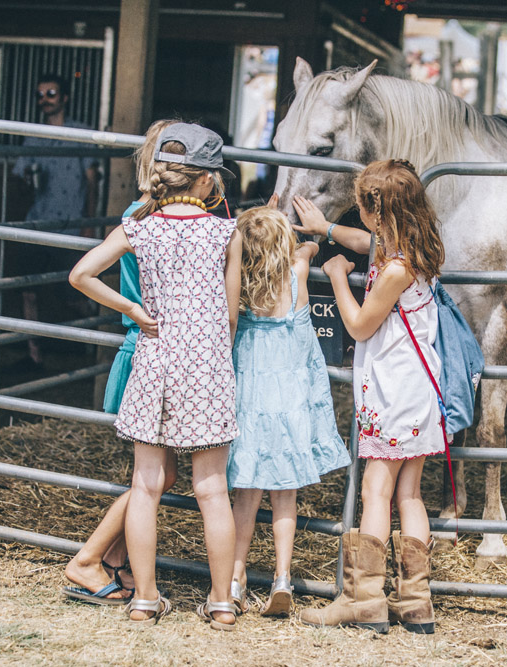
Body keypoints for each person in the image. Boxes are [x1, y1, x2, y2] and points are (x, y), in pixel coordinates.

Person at [68, 123, 242, 628]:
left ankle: (144, 599)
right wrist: (212, 349)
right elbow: (231, 316)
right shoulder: (226, 233)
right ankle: (221, 602)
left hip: (154, 359)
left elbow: (80, 274)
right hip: (206, 365)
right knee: (212, 489)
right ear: (207, 180)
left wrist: (132, 309)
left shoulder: (138, 228)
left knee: (145, 485)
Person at [293, 159, 445, 635]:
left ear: (377, 212)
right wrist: (327, 228)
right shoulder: (416, 249)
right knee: (410, 494)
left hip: (393, 391)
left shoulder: (396, 269)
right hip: (419, 389)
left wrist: (338, 274)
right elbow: (366, 242)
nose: (360, 218)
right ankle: (415, 602)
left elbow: (360, 325)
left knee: (376, 491)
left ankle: (363, 599)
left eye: (361, 207)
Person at [61, 119, 178, 606]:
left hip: (159, 348)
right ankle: (88, 558)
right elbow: (85, 273)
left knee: (160, 473)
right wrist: (131, 308)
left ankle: (113, 560)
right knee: (156, 476)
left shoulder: (164, 213)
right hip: (146, 345)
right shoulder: (142, 215)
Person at [227, 205, 350, 617]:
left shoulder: (239, 283)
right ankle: (282, 578)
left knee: (245, 496)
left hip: (250, 403)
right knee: (285, 497)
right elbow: (309, 248)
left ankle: (235, 578)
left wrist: (257, 224)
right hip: (289, 405)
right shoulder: (296, 273)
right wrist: (303, 242)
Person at [10, 73, 99, 373]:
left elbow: (92, 182)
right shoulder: (32, 135)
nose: (45, 100)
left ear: (64, 98)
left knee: (72, 293)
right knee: (28, 289)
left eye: (51, 93)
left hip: (70, 226)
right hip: (37, 223)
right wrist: (25, 182)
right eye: (40, 95)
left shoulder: (81, 133)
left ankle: (99, 345)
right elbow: (19, 179)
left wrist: (89, 222)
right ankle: (34, 355)